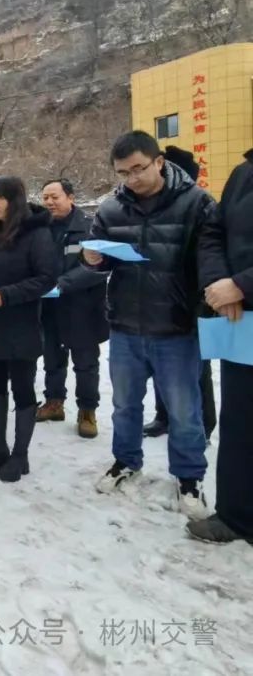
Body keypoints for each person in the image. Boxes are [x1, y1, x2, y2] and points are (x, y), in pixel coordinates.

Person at [85, 130, 214, 518]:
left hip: (175, 327)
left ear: (159, 162)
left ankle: (189, 477)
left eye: (139, 169)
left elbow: (211, 259)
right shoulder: (111, 209)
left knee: (183, 409)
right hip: (125, 325)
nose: (132, 179)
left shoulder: (196, 204)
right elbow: (100, 253)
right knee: (124, 404)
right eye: (123, 173)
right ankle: (126, 461)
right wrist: (92, 259)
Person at [0, 177, 58, 483]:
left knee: (22, 388)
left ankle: (21, 454)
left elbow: (46, 278)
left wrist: (7, 295)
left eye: (0, 198)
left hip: (20, 323)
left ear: (15, 200)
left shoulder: (37, 233)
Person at [190, 148, 253, 543]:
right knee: (241, 420)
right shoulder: (243, 172)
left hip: (243, 294)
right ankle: (236, 515)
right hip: (241, 319)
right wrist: (221, 285)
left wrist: (243, 283)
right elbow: (212, 233)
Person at [145, 146, 218, 441]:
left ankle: (204, 422)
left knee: (197, 371)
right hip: (159, 303)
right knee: (163, 367)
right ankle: (164, 417)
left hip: (193, 301)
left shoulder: (202, 206)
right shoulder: (154, 208)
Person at [35, 178, 108, 439]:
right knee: (52, 359)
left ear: (71, 197)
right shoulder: (41, 228)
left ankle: (87, 411)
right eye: (45, 198)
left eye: (55, 197)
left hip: (82, 308)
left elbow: (98, 268)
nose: (49, 202)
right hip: (48, 307)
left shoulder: (90, 227)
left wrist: (63, 284)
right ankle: (54, 402)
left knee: (86, 364)